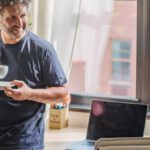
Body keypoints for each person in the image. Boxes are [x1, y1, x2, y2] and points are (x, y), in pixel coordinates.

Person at [0, 0, 71, 150]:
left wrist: (29, 94)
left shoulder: (42, 50)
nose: (20, 23)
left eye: (23, 16)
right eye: (12, 17)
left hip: (24, 141)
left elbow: (62, 93)